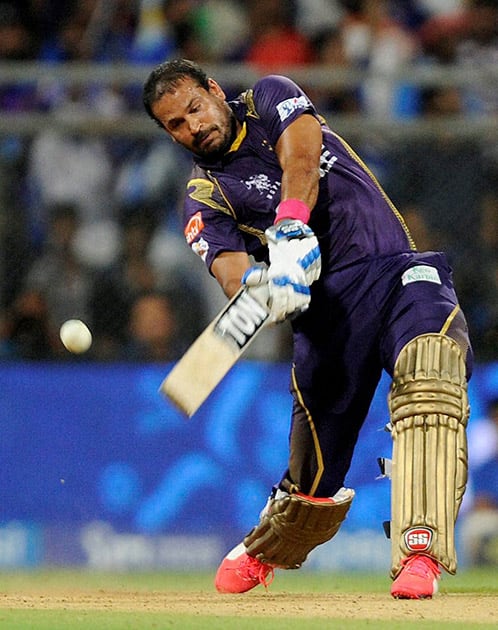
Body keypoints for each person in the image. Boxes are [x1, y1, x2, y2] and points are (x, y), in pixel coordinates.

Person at [142, 58, 473, 599]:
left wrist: (290, 221)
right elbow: (229, 274)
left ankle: (420, 550)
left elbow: (300, 152)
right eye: (175, 124)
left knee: (431, 374)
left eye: (195, 109)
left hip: (394, 274)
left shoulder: (270, 99)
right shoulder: (203, 198)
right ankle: (269, 546)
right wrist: (264, 285)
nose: (193, 127)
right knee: (314, 476)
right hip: (324, 315)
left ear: (214, 91)